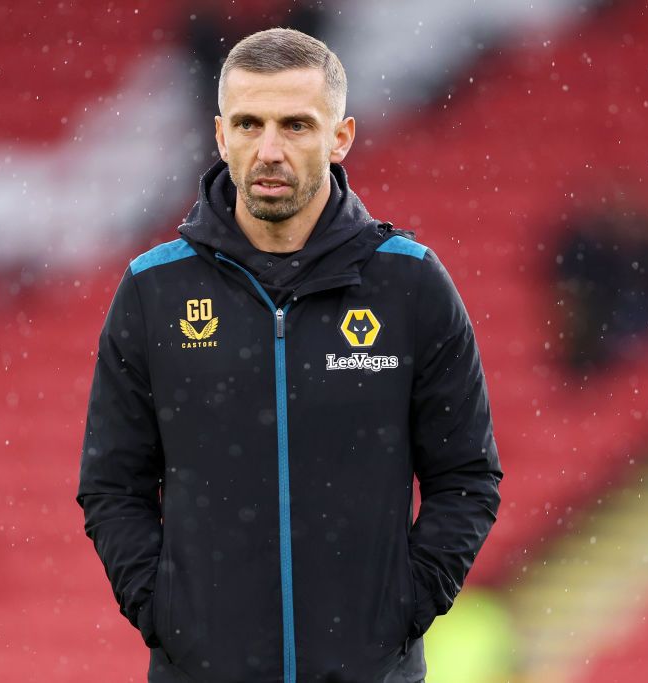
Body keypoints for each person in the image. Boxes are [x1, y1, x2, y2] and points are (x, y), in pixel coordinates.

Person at [77, 28, 503, 683]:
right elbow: (112, 486)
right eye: (249, 124)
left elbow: (467, 476)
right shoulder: (153, 291)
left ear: (341, 137)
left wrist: (402, 609)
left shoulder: (410, 285)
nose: (268, 149)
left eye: (296, 125)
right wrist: (168, 614)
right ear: (221, 137)